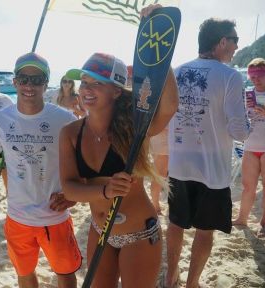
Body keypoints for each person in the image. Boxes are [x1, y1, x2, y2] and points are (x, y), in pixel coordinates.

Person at [61, 34, 178, 288]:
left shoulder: (136, 126)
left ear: (116, 90)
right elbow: (70, 187)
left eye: (96, 84)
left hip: (139, 234)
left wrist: (161, 56)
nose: (85, 90)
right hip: (99, 229)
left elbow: (168, 107)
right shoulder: (70, 133)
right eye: (83, 82)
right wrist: (105, 189)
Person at [0, 52, 82, 288]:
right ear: (15, 82)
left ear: (46, 82)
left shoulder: (65, 119)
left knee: (65, 273)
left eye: (37, 79)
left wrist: (73, 197)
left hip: (55, 216)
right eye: (23, 78)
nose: (29, 85)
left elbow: (85, 159)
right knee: (24, 273)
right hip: (17, 217)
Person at [165, 18, 250, 288]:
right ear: (222, 42)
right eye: (235, 40)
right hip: (212, 169)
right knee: (205, 230)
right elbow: (239, 131)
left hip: (179, 165)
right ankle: (191, 284)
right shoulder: (231, 76)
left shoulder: (177, 72)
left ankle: (170, 278)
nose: (237, 46)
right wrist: (249, 125)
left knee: (175, 224)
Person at [233, 58, 265, 237]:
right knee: (248, 187)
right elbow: (239, 120)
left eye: (259, 75)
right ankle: (242, 218)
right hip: (250, 146)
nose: (255, 79)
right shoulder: (246, 94)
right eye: (251, 76)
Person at [149, 126, 169, 215]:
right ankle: (155, 205)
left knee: (161, 173)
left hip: (168, 132)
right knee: (160, 173)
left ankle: (155, 204)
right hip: (163, 131)